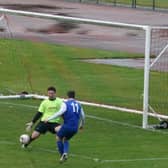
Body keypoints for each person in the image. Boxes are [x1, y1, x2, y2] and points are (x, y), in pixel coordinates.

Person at [45, 90, 85, 163]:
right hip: (75, 128)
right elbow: (83, 116)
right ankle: (65, 153)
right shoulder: (79, 104)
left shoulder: (65, 104)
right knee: (65, 139)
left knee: (58, 137)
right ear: (74, 96)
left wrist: (49, 118)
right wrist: (82, 125)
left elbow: (59, 112)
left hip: (67, 126)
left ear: (67, 96)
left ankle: (62, 155)